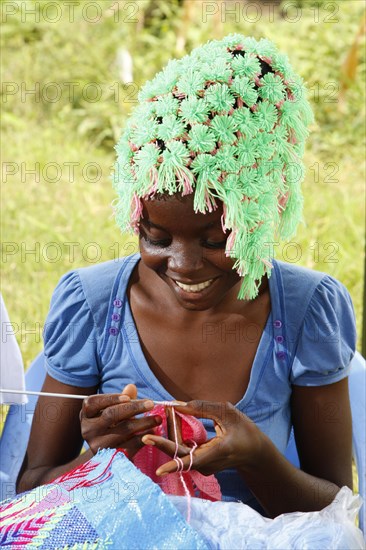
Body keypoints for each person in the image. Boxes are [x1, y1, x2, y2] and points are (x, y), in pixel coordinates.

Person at [17, 34, 356, 519]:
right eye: (156, 238)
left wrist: (258, 458)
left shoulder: (305, 311)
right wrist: (101, 459)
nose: (184, 265)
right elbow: (30, 493)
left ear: (260, 214)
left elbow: (338, 512)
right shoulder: (92, 306)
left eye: (216, 241)